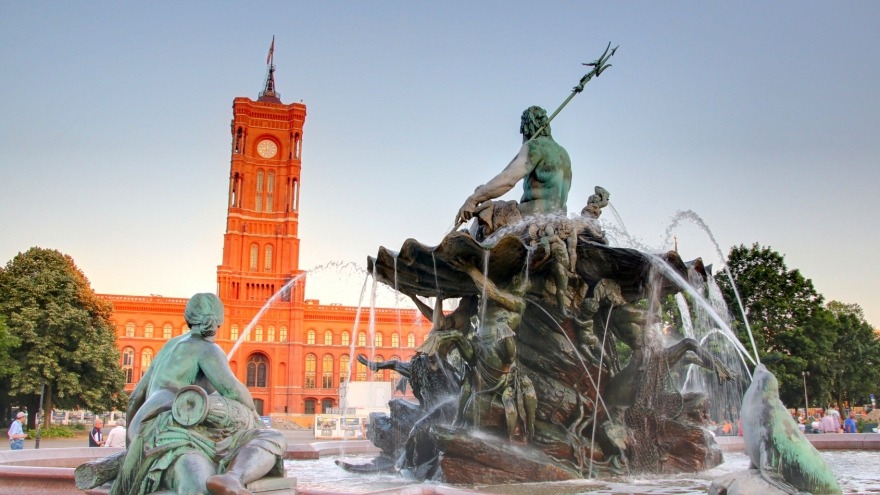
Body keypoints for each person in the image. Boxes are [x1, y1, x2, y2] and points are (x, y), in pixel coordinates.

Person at [112, 293, 285, 495]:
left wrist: (131, 450)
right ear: (218, 322)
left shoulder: (170, 346)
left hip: (145, 435)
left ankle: (228, 478)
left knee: (195, 475)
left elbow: (134, 399)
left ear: (189, 318)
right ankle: (233, 477)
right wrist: (255, 416)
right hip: (176, 430)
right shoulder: (206, 348)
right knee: (272, 437)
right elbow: (233, 389)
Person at [455, 105, 572, 236]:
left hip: (533, 216)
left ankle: (472, 239)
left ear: (527, 127)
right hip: (559, 218)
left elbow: (508, 180)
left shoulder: (535, 146)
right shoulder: (564, 154)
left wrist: (473, 199)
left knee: (488, 207)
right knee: (485, 196)